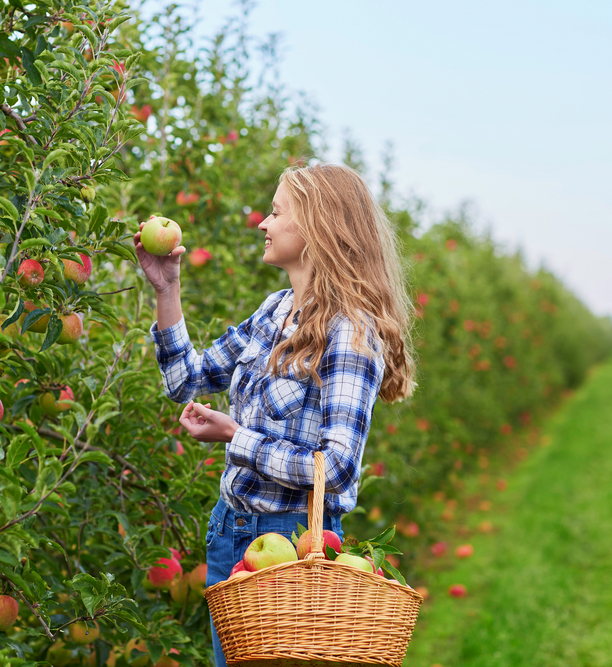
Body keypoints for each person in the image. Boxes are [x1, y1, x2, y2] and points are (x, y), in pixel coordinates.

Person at [133, 162, 416, 667]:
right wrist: (166, 290)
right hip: (230, 536)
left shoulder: (351, 332)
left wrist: (236, 437)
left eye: (275, 212)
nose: (262, 224)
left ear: (315, 227)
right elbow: (187, 382)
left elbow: (338, 466)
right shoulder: (274, 310)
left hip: (295, 546)